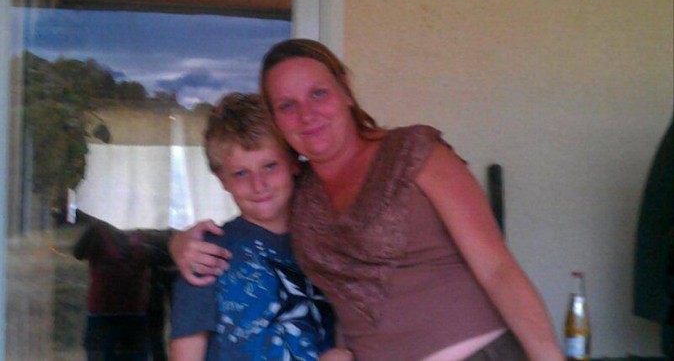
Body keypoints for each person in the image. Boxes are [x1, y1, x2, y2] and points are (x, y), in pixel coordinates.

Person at [170, 39, 564, 361]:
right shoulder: (303, 193)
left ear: (345, 91)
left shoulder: (415, 152)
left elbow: (498, 269)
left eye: (318, 93)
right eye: (287, 105)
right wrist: (180, 243)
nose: (307, 114)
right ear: (277, 121)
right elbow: (260, 222)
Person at [169, 92, 338, 361]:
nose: (258, 185)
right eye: (241, 173)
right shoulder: (208, 255)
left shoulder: (329, 243)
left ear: (294, 163)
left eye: (270, 166)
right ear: (222, 179)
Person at [72, 210, 173, 361]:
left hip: (132, 315)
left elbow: (166, 257)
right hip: (104, 314)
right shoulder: (98, 231)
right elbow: (78, 253)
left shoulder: (143, 233)